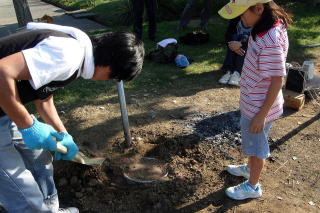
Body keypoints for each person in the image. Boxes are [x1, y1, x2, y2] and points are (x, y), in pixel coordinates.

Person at [0, 22, 144, 213]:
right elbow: (2, 71)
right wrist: (27, 125)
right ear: (110, 65)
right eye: (114, 77)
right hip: (5, 106)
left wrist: (64, 135)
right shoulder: (67, 54)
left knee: (39, 159)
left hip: (5, 108)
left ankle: (50, 209)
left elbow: (44, 98)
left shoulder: (78, 55)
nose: (109, 81)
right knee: (18, 184)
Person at [218, 0, 292, 200]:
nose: (241, 19)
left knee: (257, 148)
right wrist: (240, 44)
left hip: (259, 107)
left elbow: (277, 80)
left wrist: (261, 115)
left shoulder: (270, 40)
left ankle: (253, 186)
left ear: (259, 8)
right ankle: (249, 168)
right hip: (254, 100)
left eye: (243, 14)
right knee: (252, 143)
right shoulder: (263, 27)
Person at [218, 16, 252, 86]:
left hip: (249, 49)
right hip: (235, 45)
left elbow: (256, 39)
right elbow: (228, 36)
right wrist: (233, 46)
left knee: (244, 37)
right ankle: (229, 71)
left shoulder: (258, 20)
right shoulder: (235, 19)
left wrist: (241, 44)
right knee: (234, 37)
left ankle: (237, 72)